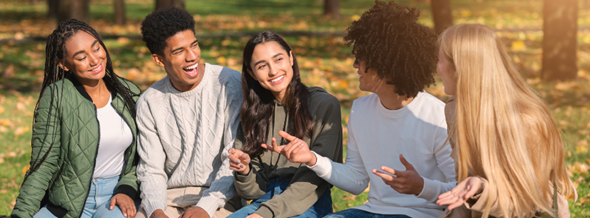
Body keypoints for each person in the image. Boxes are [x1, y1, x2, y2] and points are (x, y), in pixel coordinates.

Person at [263, 1, 456, 218]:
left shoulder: (438, 117)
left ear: (387, 65)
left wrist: (421, 186)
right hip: (371, 211)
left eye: (362, 58)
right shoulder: (360, 109)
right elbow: (357, 180)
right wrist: (312, 159)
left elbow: (460, 190)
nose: (355, 64)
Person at [435, 24, 576, 218]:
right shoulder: (455, 110)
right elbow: (464, 192)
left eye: (439, 61)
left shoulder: (526, 121)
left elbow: (529, 205)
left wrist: (481, 190)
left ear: (460, 67)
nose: (436, 68)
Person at [11, 19, 141, 218]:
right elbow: (44, 163)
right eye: (81, 57)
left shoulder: (129, 93)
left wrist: (127, 190)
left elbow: (141, 157)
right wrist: (21, 215)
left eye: (96, 48)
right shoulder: (57, 96)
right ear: (64, 65)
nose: (94, 60)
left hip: (116, 199)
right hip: (68, 202)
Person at [135, 7, 243, 218]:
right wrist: (155, 211)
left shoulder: (230, 84)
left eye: (194, 45)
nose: (192, 56)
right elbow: (151, 170)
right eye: (179, 51)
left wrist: (206, 207)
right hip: (167, 198)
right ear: (159, 60)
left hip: (221, 196)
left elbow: (233, 159)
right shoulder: (149, 101)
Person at [226, 31, 343, 218]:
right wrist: (245, 170)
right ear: (252, 74)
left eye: (278, 59)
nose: (273, 71)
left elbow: (317, 179)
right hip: (263, 201)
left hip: (308, 203)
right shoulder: (253, 113)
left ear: (290, 58)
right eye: (262, 66)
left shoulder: (324, 105)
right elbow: (252, 192)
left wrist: (265, 214)